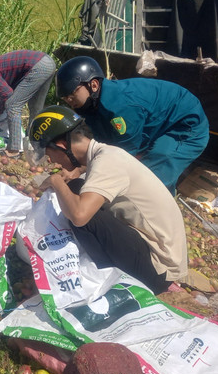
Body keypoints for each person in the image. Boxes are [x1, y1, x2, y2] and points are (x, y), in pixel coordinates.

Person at [29, 106, 187, 294]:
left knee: (81, 213)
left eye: (49, 155)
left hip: (159, 270)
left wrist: (56, 182)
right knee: (77, 188)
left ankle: (104, 277)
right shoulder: (107, 154)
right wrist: (77, 172)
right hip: (159, 257)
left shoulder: (107, 162)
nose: (52, 162)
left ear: (62, 146)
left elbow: (80, 216)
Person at [55, 56, 209, 191]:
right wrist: (79, 169)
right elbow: (103, 147)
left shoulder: (120, 109)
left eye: (72, 94)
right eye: (64, 98)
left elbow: (122, 156)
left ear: (93, 85)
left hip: (186, 125)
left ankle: (159, 216)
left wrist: (87, 174)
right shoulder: (92, 106)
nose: (69, 101)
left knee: (151, 179)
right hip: (160, 122)